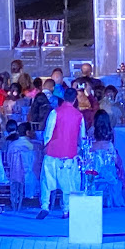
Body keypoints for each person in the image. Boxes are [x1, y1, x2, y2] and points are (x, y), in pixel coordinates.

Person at [37, 88, 86, 220]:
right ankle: (66, 210)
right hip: (70, 153)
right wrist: (80, 148)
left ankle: (45, 206)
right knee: (68, 183)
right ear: (75, 99)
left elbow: (48, 132)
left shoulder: (55, 112)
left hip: (53, 151)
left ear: (64, 97)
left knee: (46, 180)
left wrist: (45, 145)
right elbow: (82, 136)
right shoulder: (79, 115)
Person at [90, 110, 125, 207]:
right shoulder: (110, 139)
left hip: (95, 171)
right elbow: (115, 160)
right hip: (109, 171)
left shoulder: (91, 132)